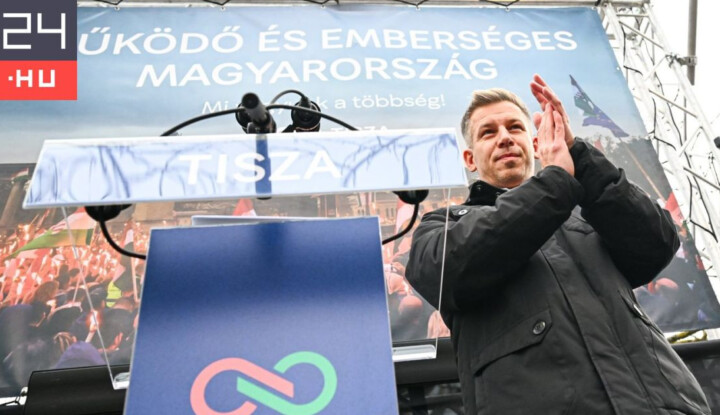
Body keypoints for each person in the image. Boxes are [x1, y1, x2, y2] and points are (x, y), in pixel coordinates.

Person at [406, 74, 710, 414]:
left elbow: (657, 243)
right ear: (469, 159)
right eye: (488, 132)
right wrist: (555, 183)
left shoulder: (588, 211)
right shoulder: (443, 224)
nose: (504, 138)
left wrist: (578, 155)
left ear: (536, 144)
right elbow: (447, 274)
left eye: (515, 127)